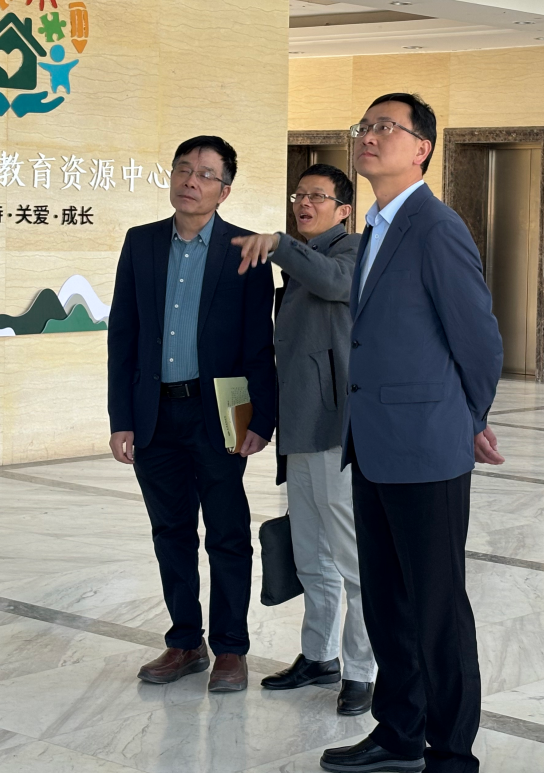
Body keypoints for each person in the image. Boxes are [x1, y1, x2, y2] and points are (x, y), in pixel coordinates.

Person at [318, 94, 504, 773]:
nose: (368, 136)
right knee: (389, 603)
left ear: (422, 147)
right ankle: (398, 734)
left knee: (436, 609)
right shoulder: (376, 225)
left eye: (385, 127)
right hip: (374, 443)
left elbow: (478, 339)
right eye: (363, 126)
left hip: (426, 446)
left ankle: (452, 752)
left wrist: (468, 418)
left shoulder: (435, 226)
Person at [107, 135, 275, 693]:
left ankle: (230, 649)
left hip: (220, 415)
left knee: (227, 534)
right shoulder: (142, 243)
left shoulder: (244, 251)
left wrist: (261, 420)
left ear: (224, 191)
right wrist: (121, 417)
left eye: (205, 174)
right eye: (183, 169)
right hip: (154, 414)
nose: (191, 181)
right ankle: (184, 642)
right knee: (170, 532)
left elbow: (259, 345)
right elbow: (123, 336)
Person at [231, 163, 376, 716]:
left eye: (318, 196)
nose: (305, 204)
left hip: (336, 429)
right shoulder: (302, 260)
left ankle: (361, 671)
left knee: (352, 560)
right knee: (311, 555)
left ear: (344, 210)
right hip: (299, 429)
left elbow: (336, 283)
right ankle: (318, 656)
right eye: (299, 195)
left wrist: (280, 245)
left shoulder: (353, 250)